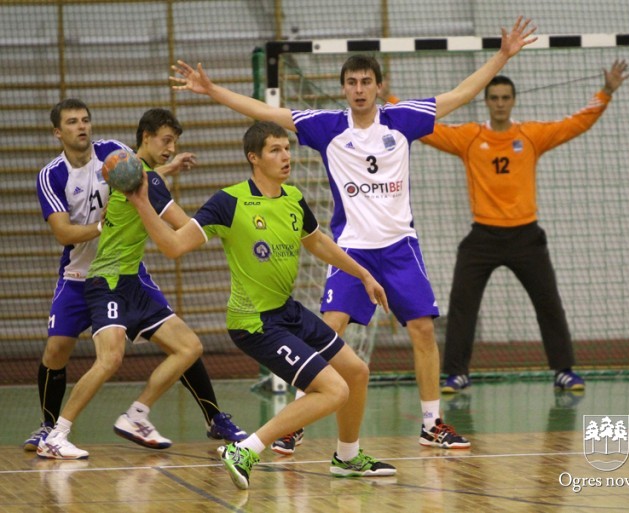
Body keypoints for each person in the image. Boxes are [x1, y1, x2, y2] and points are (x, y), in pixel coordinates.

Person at [169, 16, 537, 452]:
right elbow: (267, 113)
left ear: (379, 87)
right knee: (331, 328)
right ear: (343, 88)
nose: (359, 89)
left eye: (366, 81)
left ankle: (431, 423)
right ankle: (296, 421)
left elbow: (460, 94)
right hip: (352, 249)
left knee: (422, 328)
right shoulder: (327, 126)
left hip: (400, 247)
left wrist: (502, 56)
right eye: (351, 82)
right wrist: (212, 90)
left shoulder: (403, 119)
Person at [127, 120, 396, 490]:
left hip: (287, 311)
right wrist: (142, 202)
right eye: (275, 150)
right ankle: (245, 450)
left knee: (356, 372)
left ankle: (347, 457)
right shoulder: (229, 202)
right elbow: (174, 246)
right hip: (254, 322)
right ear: (254, 158)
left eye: (287, 148)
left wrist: (363, 274)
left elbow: (317, 242)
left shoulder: (293, 199)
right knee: (334, 390)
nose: (285, 156)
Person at [382, 60, 629, 393]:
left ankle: (564, 371)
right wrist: (389, 99)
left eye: (505, 98)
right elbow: (427, 130)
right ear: (486, 101)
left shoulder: (530, 136)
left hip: (526, 236)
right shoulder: (470, 137)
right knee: (462, 304)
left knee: (549, 303)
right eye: (494, 98)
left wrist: (606, 92)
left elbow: (575, 123)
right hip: (483, 237)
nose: (500, 103)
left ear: (513, 101)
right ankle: (456, 374)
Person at [35, 106, 245, 460]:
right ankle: (56, 434)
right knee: (109, 359)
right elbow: (184, 228)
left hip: (131, 278)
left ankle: (137, 415)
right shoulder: (139, 178)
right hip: (106, 279)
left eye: (174, 143)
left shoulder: (135, 173)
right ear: (145, 138)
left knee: (189, 347)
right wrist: (230, 223)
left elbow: (143, 180)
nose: (171, 148)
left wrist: (167, 169)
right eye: (166, 141)